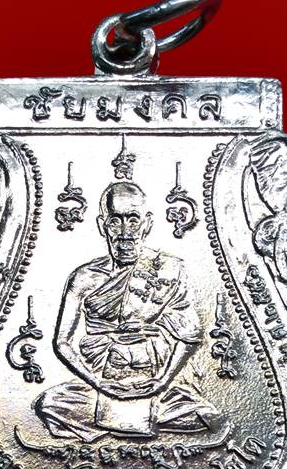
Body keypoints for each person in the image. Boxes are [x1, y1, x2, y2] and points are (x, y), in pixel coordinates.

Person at [34, 179, 219, 441]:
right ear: (102, 225)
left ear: (147, 224)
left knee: (207, 416)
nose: (124, 232)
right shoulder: (84, 277)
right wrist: (97, 382)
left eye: (133, 220)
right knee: (49, 404)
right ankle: (133, 420)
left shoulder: (169, 269)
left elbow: (189, 335)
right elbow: (62, 342)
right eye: (115, 221)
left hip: (152, 378)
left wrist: (163, 381)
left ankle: (139, 416)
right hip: (101, 379)